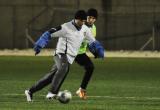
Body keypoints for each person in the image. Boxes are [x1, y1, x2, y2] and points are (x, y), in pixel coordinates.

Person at [25, 10, 104, 102]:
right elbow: (49, 33)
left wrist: (99, 50)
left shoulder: (85, 29)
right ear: (76, 19)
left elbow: (93, 42)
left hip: (70, 57)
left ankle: (30, 91)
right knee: (64, 68)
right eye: (81, 21)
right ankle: (52, 93)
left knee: (51, 78)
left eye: (83, 21)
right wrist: (39, 45)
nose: (82, 23)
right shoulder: (65, 27)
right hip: (61, 54)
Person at [75, 8, 98, 100]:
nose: (90, 19)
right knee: (59, 71)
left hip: (80, 53)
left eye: (93, 18)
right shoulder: (80, 26)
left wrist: (94, 51)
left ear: (95, 19)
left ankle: (81, 90)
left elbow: (90, 42)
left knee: (90, 67)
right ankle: (52, 91)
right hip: (70, 51)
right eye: (89, 17)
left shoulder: (94, 28)